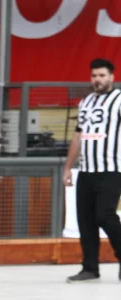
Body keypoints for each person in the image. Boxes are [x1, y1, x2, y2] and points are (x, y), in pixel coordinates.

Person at [62, 58, 121, 283]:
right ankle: (89, 267)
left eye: (102, 75)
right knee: (85, 220)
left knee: (104, 215)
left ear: (111, 77)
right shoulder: (85, 102)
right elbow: (78, 136)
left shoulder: (119, 100)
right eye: (94, 76)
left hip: (112, 168)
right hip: (87, 170)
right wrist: (68, 167)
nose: (98, 80)